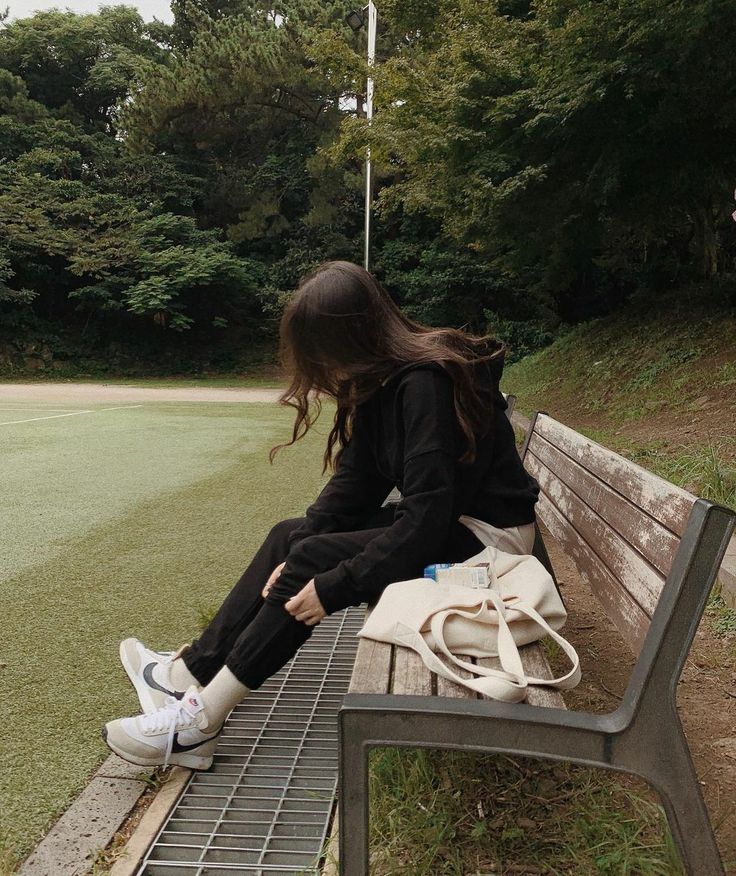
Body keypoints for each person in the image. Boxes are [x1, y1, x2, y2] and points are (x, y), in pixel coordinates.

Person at [103, 261, 540, 770]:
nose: (320, 372)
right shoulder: (384, 384)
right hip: (453, 526)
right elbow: (354, 488)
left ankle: (199, 726)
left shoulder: (426, 386)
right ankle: (188, 677)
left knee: (313, 559)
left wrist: (335, 584)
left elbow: (426, 520)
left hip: (493, 546)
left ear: (350, 338)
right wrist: (293, 554)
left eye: (320, 355)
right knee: (292, 536)